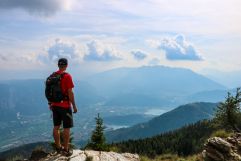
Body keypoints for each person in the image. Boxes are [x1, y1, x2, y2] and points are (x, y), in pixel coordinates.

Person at [49, 58, 77, 156]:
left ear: (58, 65)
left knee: (56, 127)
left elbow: (48, 92)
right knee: (66, 128)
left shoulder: (52, 76)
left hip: (54, 106)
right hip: (65, 106)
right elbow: (70, 93)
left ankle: (58, 147)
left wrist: (50, 104)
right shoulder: (67, 76)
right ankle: (66, 149)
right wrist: (74, 106)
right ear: (66, 65)